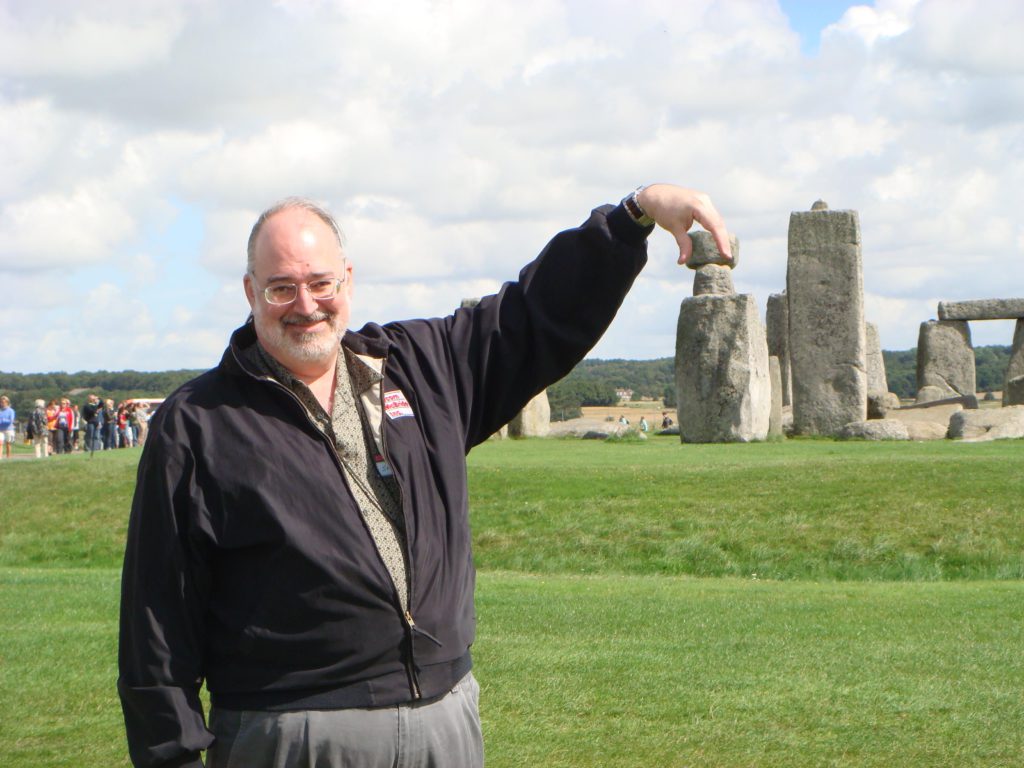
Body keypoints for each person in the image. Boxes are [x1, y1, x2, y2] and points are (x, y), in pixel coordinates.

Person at [118, 184, 731, 768]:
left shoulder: (418, 369)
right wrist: (170, 753)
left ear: (347, 281)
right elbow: (157, 619)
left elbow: (532, 317)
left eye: (319, 282)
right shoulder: (198, 424)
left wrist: (632, 216)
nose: (305, 305)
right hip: (294, 731)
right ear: (250, 292)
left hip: (443, 720)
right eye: (281, 288)